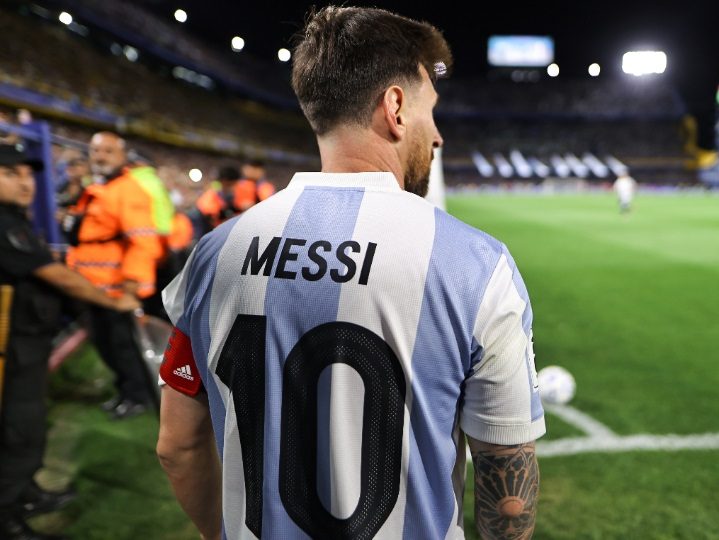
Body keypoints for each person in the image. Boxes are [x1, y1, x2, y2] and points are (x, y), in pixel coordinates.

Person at [156, 6, 544, 540]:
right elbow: (509, 494)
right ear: (397, 107)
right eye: (432, 111)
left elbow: (176, 447)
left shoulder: (213, 253)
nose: (438, 136)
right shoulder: (476, 264)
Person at [0, 144, 139, 540]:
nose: (25, 182)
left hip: (26, 340)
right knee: (19, 427)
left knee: (26, 423)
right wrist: (111, 300)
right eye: (11, 173)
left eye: (27, 174)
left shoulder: (13, 218)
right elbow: (54, 274)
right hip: (12, 346)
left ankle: (26, 493)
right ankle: (7, 519)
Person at [65, 132, 170, 419]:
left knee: (124, 348)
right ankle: (125, 391)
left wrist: (132, 288)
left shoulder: (128, 189)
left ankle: (137, 397)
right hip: (94, 288)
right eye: (96, 150)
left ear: (123, 156)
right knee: (107, 345)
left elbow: (143, 241)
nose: (99, 156)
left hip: (116, 291)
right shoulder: (101, 187)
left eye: (108, 151)